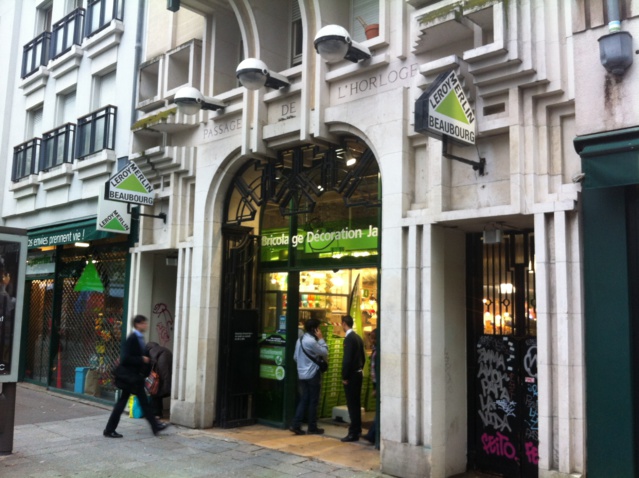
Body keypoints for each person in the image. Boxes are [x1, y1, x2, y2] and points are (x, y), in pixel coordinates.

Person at [104, 315, 169, 438]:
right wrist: (142, 359)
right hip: (130, 378)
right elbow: (125, 358)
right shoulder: (132, 338)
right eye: (144, 323)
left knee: (141, 403)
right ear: (138, 324)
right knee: (126, 404)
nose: (146, 326)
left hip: (135, 378)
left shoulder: (139, 337)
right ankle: (109, 429)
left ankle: (155, 427)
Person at [290, 318, 328, 436]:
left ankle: (296, 424)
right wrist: (321, 339)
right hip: (312, 375)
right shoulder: (311, 341)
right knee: (313, 401)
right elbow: (325, 352)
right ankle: (312, 427)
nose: (320, 330)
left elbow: (295, 357)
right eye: (318, 328)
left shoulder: (300, 340)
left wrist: (303, 365)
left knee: (304, 399)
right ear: (314, 329)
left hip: (301, 374)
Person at [340, 314, 366, 442]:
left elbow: (347, 360)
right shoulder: (358, 338)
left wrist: (345, 376)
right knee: (356, 402)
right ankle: (357, 429)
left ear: (344, 323)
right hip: (358, 372)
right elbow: (363, 357)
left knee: (352, 404)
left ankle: (353, 432)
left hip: (351, 375)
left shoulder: (349, 339)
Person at [145, 342, 173, 419]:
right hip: (167, 374)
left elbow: (152, 362)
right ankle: (158, 412)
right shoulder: (164, 349)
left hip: (159, 373)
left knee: (155, 390)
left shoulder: (152, 351)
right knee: (159, 391)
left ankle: (157, 413)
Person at [362, 328, 377, 444]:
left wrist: (376, 387)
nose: (370, 340)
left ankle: (372, 435)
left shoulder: (377, 352)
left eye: (372, 338)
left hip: (378, 385)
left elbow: (376, 371)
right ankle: (372, 434)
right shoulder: (375, 351)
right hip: (376, 385)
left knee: (380, 412)